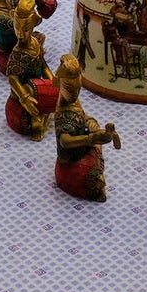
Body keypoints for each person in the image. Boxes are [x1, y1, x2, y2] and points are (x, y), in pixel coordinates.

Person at [53, 54, 120, 201]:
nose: (74, 94)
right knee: (95, 178)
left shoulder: (74, 104)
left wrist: (94, 127)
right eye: (69, 88)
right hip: (70, 161)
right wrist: (91, 138)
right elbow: (65, 141)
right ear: (57, 83)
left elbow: (83, 117)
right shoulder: (62, 114)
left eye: (78, 88)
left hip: (84, 149)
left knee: (98, 150)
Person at [5, 0, 58, 138]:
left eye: (26, 28)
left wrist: (53, 82)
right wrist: (24, 97)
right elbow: (12, 78)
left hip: (39, 90)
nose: (21, 34)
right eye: (17, 27)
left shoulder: (35, 42)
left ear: (34, 22)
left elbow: (42, 65)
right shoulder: (17, 54)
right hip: (24, 98)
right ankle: (36, 120)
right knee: (32, 121)